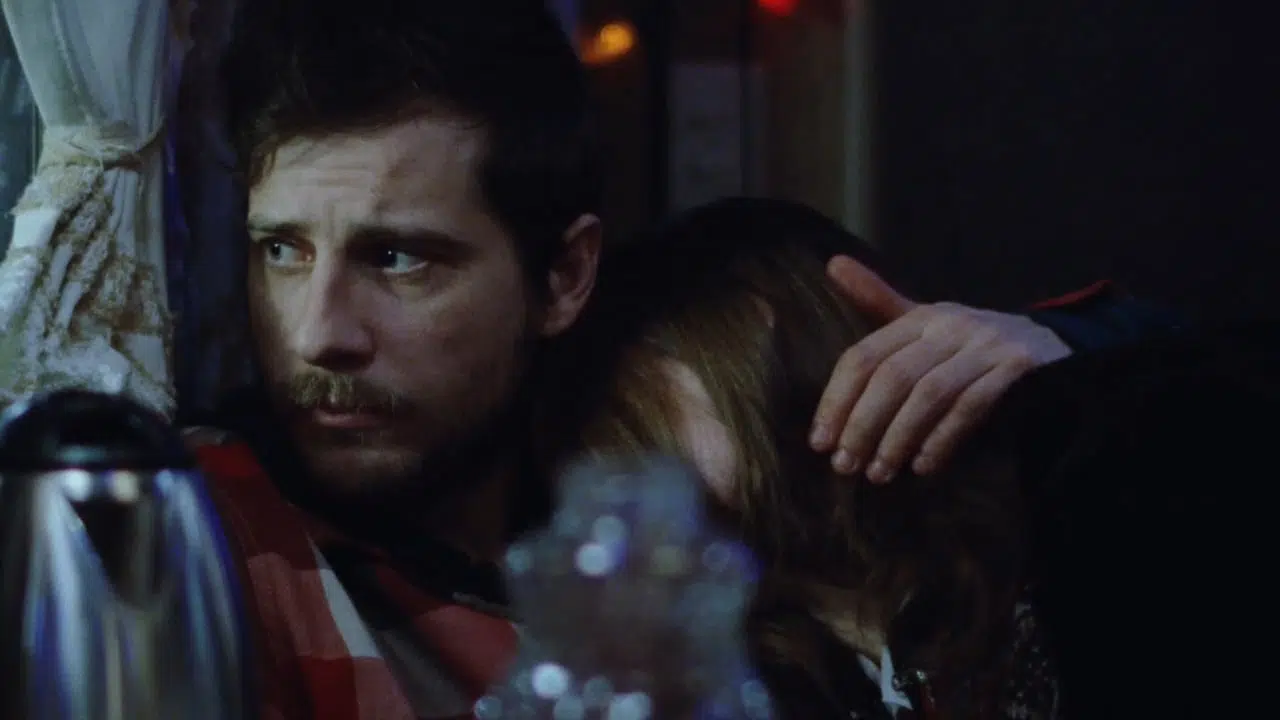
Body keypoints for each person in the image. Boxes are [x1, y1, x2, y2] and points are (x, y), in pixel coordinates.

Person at [186, 1, 1182, 717]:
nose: (318, 333)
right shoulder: (213, 529)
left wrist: (1069, 354)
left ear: (563, 276)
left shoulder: (658, 464)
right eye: (281, 250)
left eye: (398, 259)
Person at [539, 196, 1277, 719]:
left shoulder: (1084, 494)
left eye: (625, 391)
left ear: (755, 336)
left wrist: (1081, 361)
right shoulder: (755, 662)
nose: (602, 442)